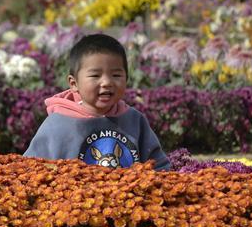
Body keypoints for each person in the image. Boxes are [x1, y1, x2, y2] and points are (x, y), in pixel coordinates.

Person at [24, 34, 170, 170]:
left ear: (127, 78)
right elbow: (31, 169)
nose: (106, 82)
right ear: (74, 83)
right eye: (95, 75)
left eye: (116, 75)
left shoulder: (134, 120)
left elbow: (159, 167)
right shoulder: (58, 125)